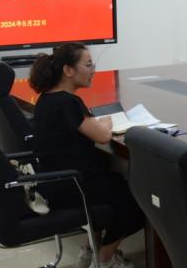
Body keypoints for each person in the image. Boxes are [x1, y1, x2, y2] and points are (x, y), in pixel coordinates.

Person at [30, 43, 144, 268]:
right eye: (89, 65)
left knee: (114, 185)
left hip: (55, 183)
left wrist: (98, 124)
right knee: (136, 201)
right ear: (68, 70)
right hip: (75, 186)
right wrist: (107, 122)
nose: (93, 71)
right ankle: (105, 260)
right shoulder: (68, 102)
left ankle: (89, 251)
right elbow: (102, 136)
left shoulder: (46, 99)